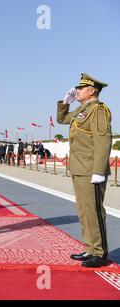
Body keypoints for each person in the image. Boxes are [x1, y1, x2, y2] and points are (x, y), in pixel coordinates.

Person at [57, 73, 112, 268]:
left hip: (91, 169)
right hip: (80, 167)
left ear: (91, 91)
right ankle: (90, 247)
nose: (77, 91)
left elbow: (103, 140)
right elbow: (62, 119)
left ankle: (100, 253)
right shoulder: (82, 109)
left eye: (80, 88)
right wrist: (66, 102)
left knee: (94, 211)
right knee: (84, 211)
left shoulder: (98, 110)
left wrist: (98, 170)